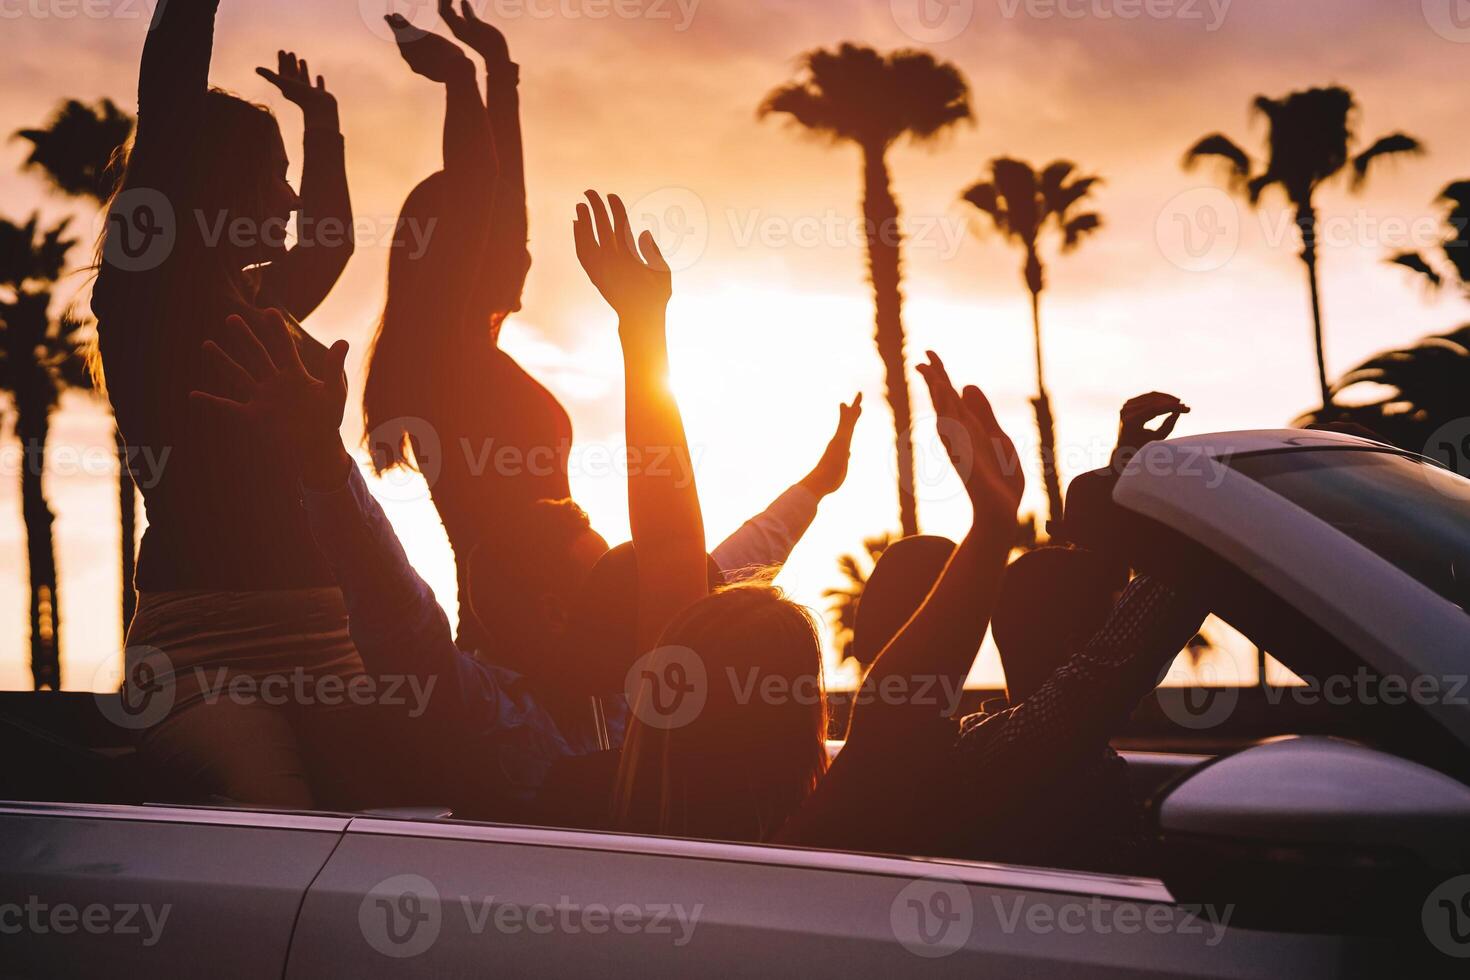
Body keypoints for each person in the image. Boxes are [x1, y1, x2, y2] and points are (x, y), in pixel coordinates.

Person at [362, 7, 859, 687]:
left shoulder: (466, 361)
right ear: (462, 255)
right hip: (519, 653)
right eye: (510, 244)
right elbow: (482, 191)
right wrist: (458, 82)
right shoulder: (451, 368)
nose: (529, 255)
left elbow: (502, 198)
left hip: (569, 627)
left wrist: (499, 72)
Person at [93, 0, 357, 807]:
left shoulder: (259, 300)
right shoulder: (148, 300)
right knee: (284, 829)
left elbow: (331, 243)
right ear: (214, 184)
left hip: (323, 637)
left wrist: (324, 130)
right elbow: (167, 115)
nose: (286, 195)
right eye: (272, 173)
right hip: (206, 652)